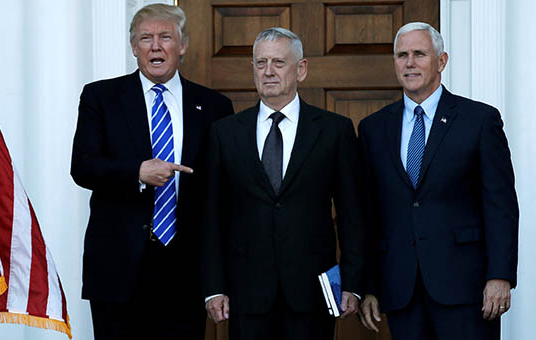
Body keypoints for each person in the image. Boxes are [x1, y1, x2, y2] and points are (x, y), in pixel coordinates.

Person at [70, 4, 234, 339]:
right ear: (134, 47)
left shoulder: (215, 106)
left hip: (184, 268)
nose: (155, 46)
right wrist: (136, 172)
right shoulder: (101, 97)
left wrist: (218, 277)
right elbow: (82, 166)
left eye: (165, 37)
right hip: (118, 265)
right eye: (146, 38)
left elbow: (222, 192)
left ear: (182, 45)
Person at [357, 22, 519, 340]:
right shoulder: (373, 128)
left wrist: (500, 276)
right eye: (401, 55)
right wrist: (369, 286)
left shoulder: (479, 121)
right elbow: (369, 214)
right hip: (401, 290)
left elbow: (500, 205)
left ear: (441, 61)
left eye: (419, 54)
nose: (409, 62)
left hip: (466, 289)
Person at [202, 27, 366, 340]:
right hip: (246, 293)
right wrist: (213, 287)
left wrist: (354, 283)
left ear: (300, 69)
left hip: (312, 293)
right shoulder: (225, 133)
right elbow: (212, 216)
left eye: (278, 62)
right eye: (260, 63)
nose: (268, 71)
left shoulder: (334, 131)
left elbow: (353, 215)